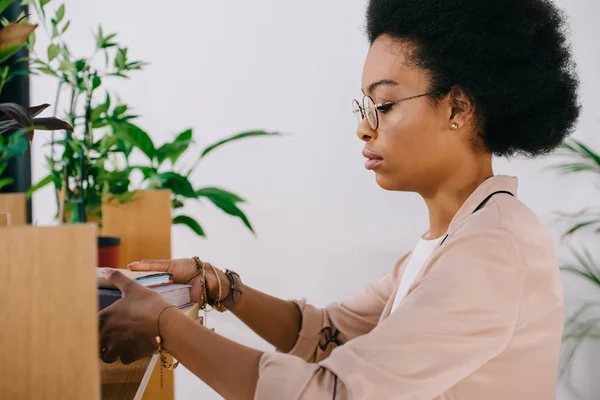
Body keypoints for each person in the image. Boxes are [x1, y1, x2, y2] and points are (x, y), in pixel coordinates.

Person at [98, 0, 581, 398]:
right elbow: (327, 332)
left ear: (458, 107)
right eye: (364, 106)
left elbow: (328, 393)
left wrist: (165, 324)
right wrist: (221, 286)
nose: (363, 127)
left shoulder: (491, 253)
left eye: (384, 105)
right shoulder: (453, 238)